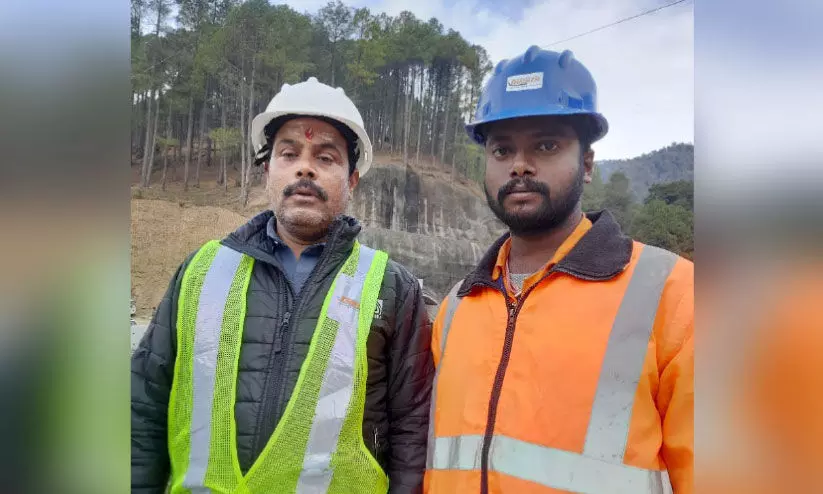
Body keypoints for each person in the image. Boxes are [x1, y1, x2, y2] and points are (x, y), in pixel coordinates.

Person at [131, 77, 433, 494]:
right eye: (289, 153)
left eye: (326, 157)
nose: (305, 167)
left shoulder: (390, 287)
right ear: (267, 169)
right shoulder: (200, 272)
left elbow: (413, 431)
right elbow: (142, 408)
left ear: (351, 181)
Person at [424, 47, 693, 494]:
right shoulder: (456, 308)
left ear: (587, 164)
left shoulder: (674, 295)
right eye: (502, 149)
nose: (520, 164)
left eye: (546, 145)